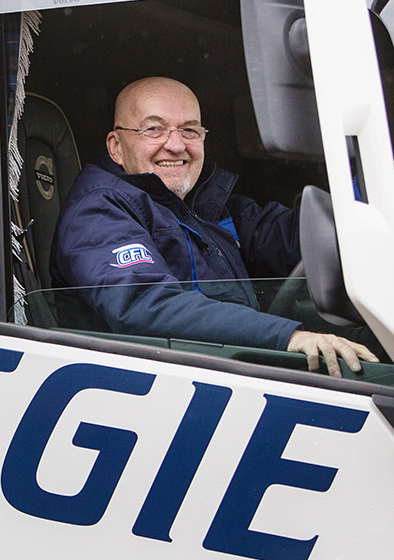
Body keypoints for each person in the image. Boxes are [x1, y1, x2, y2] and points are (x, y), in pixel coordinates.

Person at [48, 76, 378, 377]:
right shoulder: (98, 209)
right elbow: (145, 304)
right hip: (154, 385)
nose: (176, 145)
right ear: (116, 147)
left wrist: (365, 217)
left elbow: (291, 236)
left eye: (190, 130)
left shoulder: (203, 202)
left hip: (223, 369)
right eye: (154, 129)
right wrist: (287, 336)